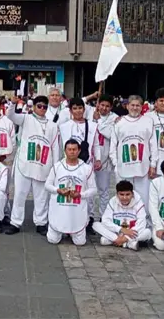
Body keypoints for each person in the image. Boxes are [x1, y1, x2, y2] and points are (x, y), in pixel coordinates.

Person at [5, 95, 60, 235]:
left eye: (45, 107)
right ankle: (15, 222)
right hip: (24, 163)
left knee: (41, 197)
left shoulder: (53, 126)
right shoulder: (26, 118)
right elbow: (10, 115)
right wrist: (13, 103)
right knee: (19, 194)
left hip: (43, 165)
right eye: (39, 106)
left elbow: (55, 148)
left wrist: (55, 169)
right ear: (34, 107)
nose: (42, 109)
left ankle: (41, 223)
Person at [58, 97, 101, 232]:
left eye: (80, 108)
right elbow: (61, 146)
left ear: (84, 109)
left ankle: (89, 219)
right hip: (69, 163)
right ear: (70, 111)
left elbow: (96, 144)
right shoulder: (64, 126)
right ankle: (70, 219)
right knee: (71, 189)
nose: (78, 111)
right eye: (75, 108)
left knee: (88, 192)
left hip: (86, 163)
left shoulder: (92, 126)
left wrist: (98, 159)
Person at [109, 95, 158, 208]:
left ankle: (144, 218)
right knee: (124, 197)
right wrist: (116, 164)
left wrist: (153, 164)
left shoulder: (148, 121)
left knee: (144, 198)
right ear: (127, 106)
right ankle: (124, 218)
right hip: (123, 167)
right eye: (132, 105)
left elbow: (153, 145)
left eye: (138, 105)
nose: (135, 108)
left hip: (143, 167)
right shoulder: (119, 122)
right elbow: (113, 145)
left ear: (141, 107)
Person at [45, 140, 97, 246]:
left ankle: (72, 232)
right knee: (53, 240)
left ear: (79, 151)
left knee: (80, 242)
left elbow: (93, 189)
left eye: (74, 149)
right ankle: (60, 230)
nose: (72, 152)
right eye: (69, 149)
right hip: (60, 209)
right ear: (65, 151)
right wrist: (58, 190)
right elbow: (47, 185)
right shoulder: (57, 167)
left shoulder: (86, 168)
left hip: (76, 210)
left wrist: (81, 195)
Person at [92, 180, 151, 250]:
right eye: (122, 194)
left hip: (131, 232)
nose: (124, 198)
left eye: (127, 194)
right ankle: (128, 243)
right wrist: (121, 229)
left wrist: (126, 237)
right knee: (95, 225)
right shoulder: (113, 201)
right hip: (117, 232)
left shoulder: (138, 202)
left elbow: (141, 222)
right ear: (117, 194)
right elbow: (105, 220)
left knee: (148, 232)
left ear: (132, 194)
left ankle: (114, 241)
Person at [91, 95, 119, 221]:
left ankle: (104, 217)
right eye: (102, 105)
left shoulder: (115, 118)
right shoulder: (90, 114)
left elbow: (110, 134)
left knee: (104, 191)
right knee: (90, 191)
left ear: (111, 107)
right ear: (98, 105)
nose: (104, 108)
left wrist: (98, 121)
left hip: (105, 160)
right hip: (91, 158)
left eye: (107, 106)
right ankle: (89, 216)